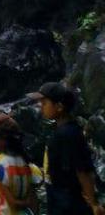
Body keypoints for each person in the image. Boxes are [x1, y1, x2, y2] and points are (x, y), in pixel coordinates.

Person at [31, 83, 103, 215]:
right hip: (59, 201)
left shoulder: (68, 134)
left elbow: (82, 170)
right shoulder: (62, 131)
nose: (41, 107)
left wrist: (93, 203)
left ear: (59, 107)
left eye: (45, 103)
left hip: (68, 205)